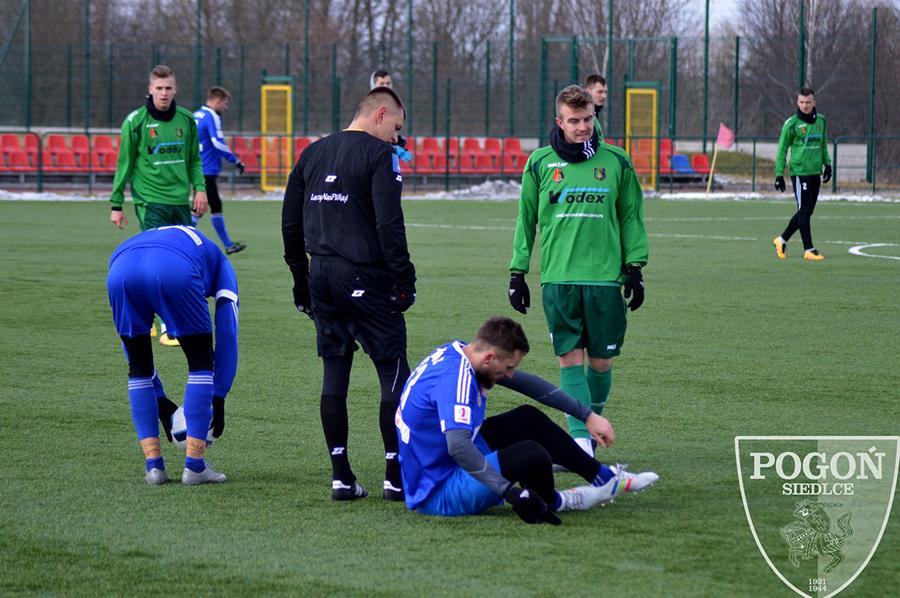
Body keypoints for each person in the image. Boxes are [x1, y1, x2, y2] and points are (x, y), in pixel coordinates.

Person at [282, 87, 416, 502]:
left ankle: (341, 476)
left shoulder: (311, 153)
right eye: (396, 127)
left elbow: (290, 225)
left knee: (334, 373)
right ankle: (394, 475)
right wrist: (404, 280)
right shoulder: (380, 156)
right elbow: (389, 225)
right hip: (367, 278)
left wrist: (301, 281)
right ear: (380, 115)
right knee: (394, 372)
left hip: (321, 276)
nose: (397, 138)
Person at [396, 316, 658, 523]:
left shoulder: (462, 352)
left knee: (527, 419)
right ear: (489, 357)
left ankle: (605, 478)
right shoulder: (456, 382)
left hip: (438, 461)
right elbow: (458, 447)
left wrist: (587, 415)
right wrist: (511, 492)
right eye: (508, 368)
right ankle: (556, 501)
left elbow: (529, 385)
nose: (510, 375)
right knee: (530, 455)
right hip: (440, 491)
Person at [508, 85, 648, 458]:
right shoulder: (539, 162)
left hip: (604, 279)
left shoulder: (616, 160)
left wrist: (636, 266)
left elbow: (631, 216)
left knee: (601, 362)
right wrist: (517, 272)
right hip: (559, 278)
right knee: (569, 359)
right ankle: (580, 443)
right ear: (560, 121)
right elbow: (526, 221)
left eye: (588, 119)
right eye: (574, 121)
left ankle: (591, 423)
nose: (583, 127)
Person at [106, 225, 239, 485]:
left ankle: (153, 467)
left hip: (119, 266)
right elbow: (228, 332)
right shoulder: (222, 264)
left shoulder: (166, 238)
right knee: (200, 362)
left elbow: (132, 350)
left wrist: (159, 398)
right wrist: (218, 395)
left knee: (139, 365)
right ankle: (195, 466)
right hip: (174, 270)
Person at [110, 64, 209, 347]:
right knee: (164, 260)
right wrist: (116, 204)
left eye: (168, 88)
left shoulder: (187, 120)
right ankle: (169, 325)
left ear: (175, 90)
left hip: (180, 201)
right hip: (150, 200)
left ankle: (144, 315)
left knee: (182, 257)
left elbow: (194, 160)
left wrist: (200, 189)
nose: (164, 93)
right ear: (150, 90)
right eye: (159, 88)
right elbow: (124, 164)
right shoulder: (136, 121)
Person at [773, 87, 832, 261]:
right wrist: (779, 174)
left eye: (808, 102)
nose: (805, 105)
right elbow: (782, 150)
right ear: (797, 103)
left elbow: (823, 145)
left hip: (815, 172)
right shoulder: (791, 124)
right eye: (801, 102)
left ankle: (781, 240)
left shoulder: (821, 120)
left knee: (806, 211)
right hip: (799, 173)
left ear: (814, 103)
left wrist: (827, 164)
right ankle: (809, 249)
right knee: (805, 211)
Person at [193, 86, 247, 255]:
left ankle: (229, 244)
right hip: (206, 169)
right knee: (200, 208)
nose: (226, 107)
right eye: (225, 103)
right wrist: (235, 160)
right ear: (217, 101)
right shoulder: (212, 116)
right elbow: (218, 143)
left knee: (210, 205)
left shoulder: (195, 115)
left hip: (196, 168)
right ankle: (181, 240)